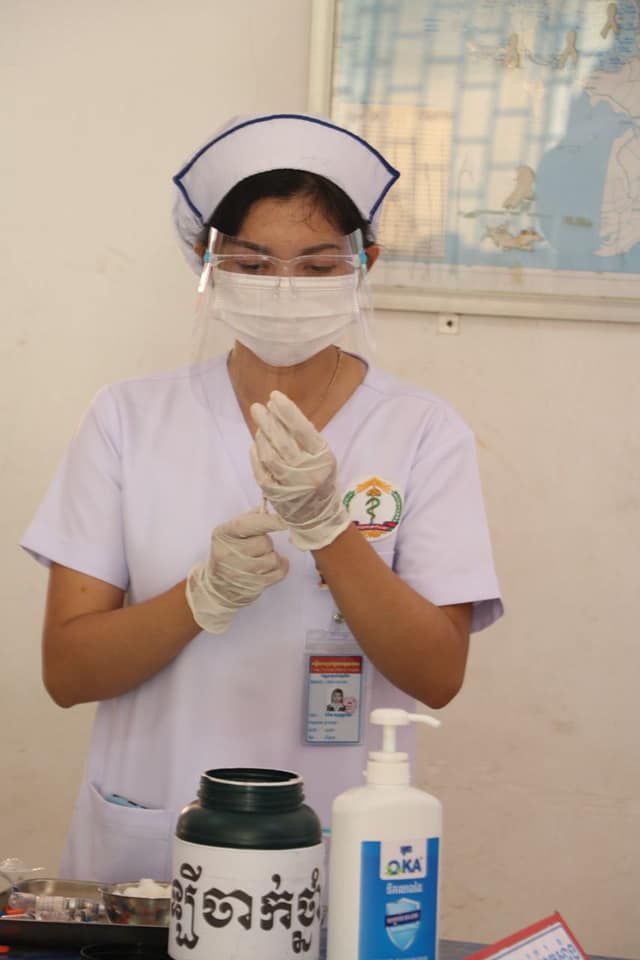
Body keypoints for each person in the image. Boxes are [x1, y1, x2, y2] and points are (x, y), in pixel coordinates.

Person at [21, 112, 503, 883]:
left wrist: (329, 528)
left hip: (334, 844)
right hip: (152, 840)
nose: (284, 288)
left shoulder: (422, 431)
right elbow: (69, 673)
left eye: (317, 266)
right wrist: (202, 596)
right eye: (252, 262)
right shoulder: (127, 420)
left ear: (365, 264)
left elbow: (437, 674)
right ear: (207, 262)